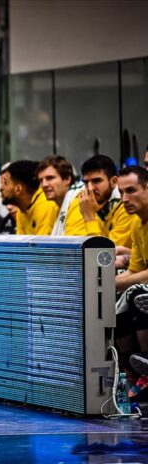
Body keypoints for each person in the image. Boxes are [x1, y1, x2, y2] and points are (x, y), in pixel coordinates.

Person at [113, 166, 148, 400]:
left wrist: (115, 285)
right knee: (110, 301)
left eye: (131, 191)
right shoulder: (137, 223)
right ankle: (132, 371)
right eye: (121, 192)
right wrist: (102, 285)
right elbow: (135, 270)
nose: (124, 199)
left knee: (136, 294)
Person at [80, 155, 140, 267]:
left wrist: (89, 217)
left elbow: (102, 256)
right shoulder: (97, 204)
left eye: (96, 181)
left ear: (114, 181)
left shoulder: (127, 206)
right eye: (86, 182)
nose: (90, 188)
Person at [0, 160, 58, 235]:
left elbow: (42, 242)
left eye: (5, 183)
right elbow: (19, 240)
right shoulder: (22, 210)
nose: (1, 188)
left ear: (18, 189)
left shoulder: (45, 206)